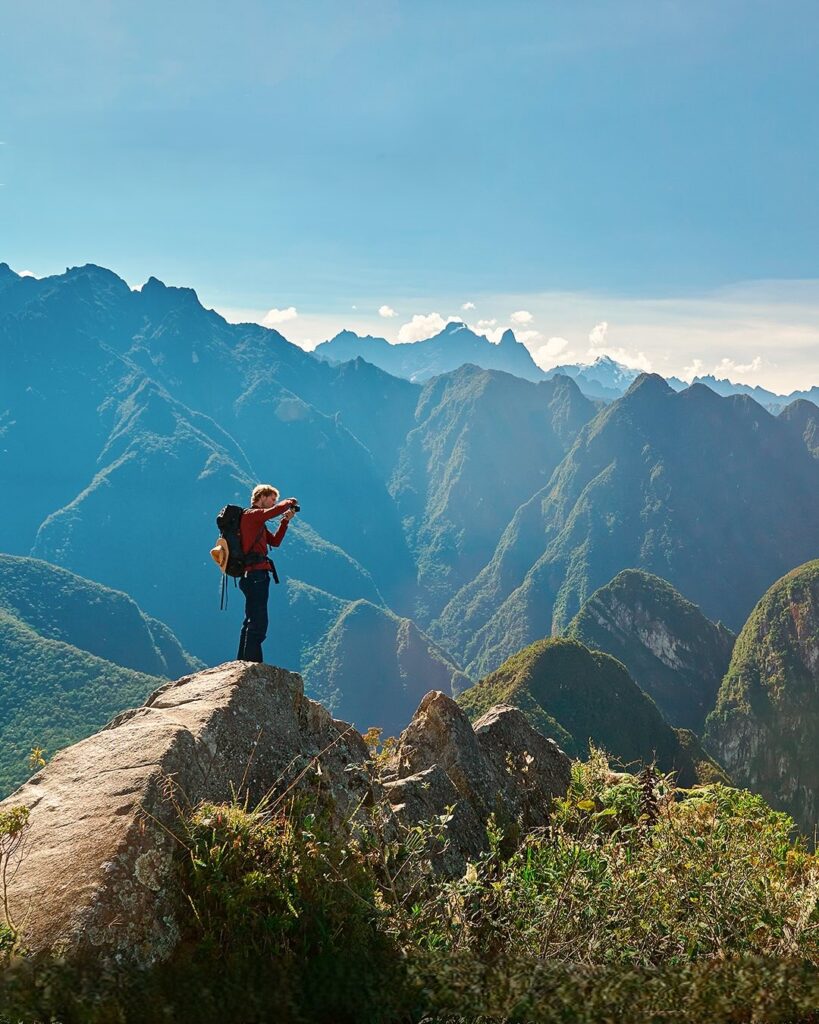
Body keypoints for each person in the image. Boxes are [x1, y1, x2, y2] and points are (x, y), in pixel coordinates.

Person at [237, 484, 298, 663]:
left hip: (252, 576)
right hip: (256, 575)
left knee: (251, 619)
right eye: (272, 499)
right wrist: (289, 502)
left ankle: (242, 661)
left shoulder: (256, 522)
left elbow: (275, 542)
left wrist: (285, 521)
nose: (274, 503)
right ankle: (253, 664)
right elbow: (272, 512)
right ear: (261, 497)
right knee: (258, 622)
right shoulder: (252, 515)